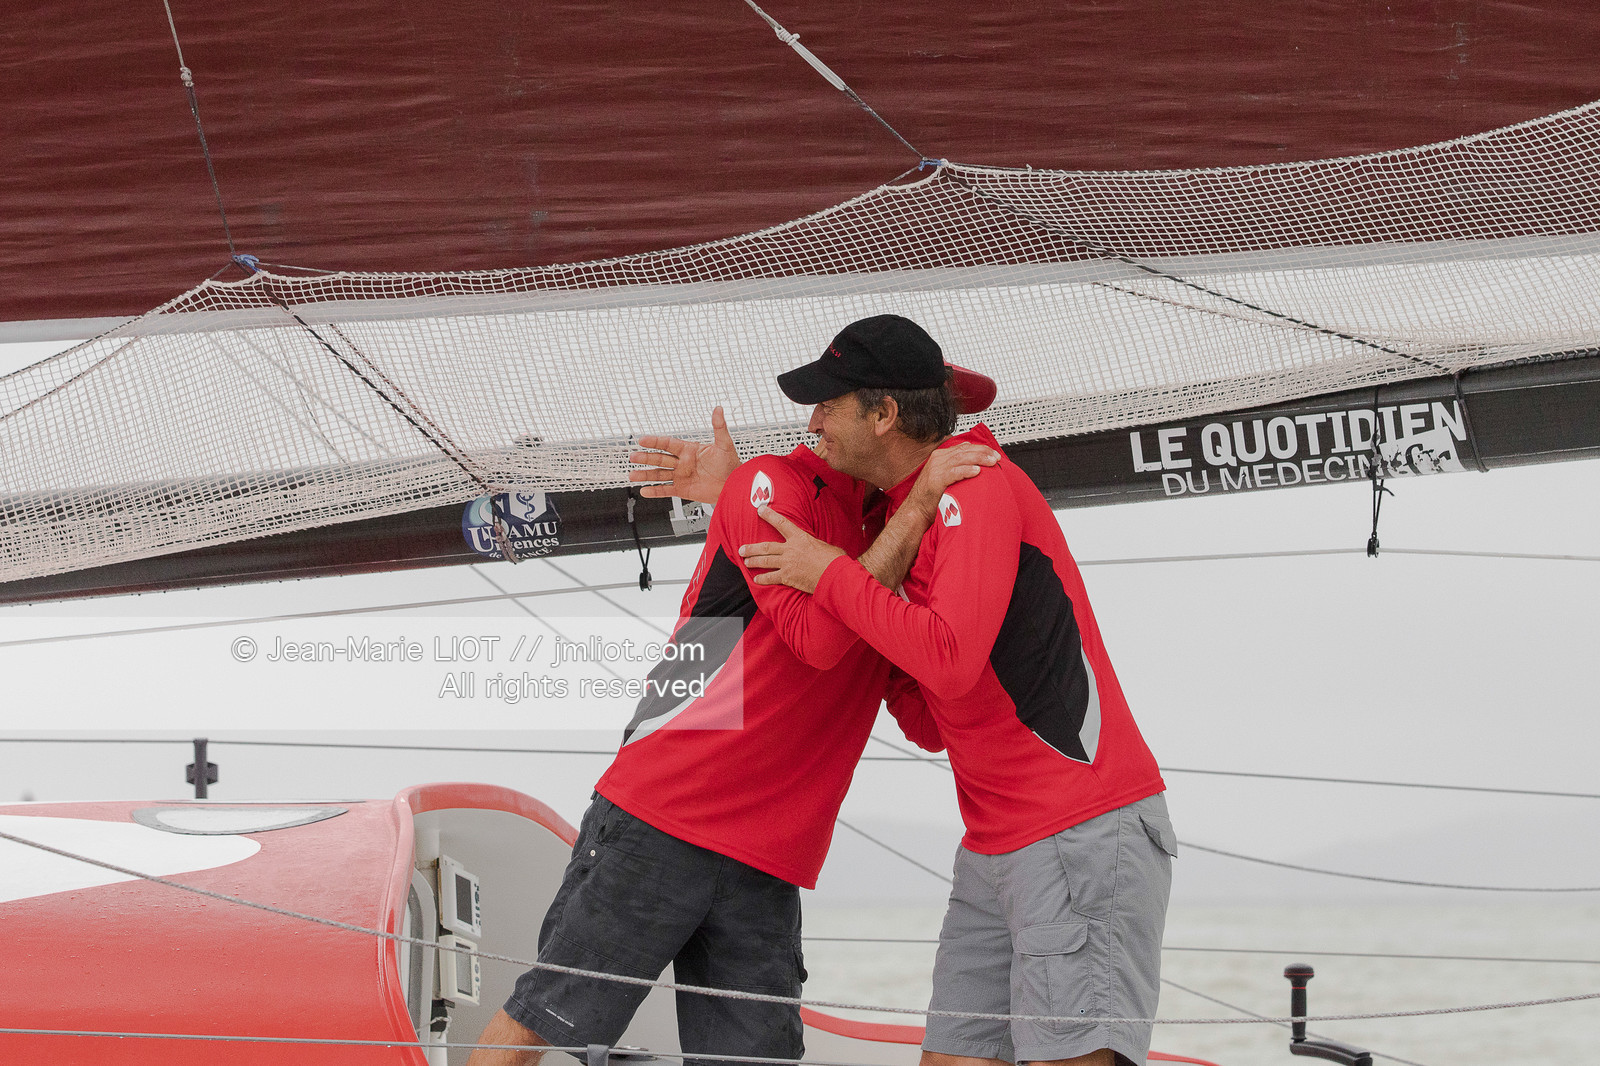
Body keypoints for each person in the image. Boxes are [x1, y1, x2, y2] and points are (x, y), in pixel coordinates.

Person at [464, 366, 999, 1066]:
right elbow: (821, 633)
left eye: (827, 405)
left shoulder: (889, 535)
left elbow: (925, 719)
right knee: (540, 1020)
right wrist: (747, 494)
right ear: (891, 418)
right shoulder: (774, 488)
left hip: (769, 853)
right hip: (665, 814)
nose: (813, 421)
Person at [738, 314, 1176, 1066]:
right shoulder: (905, 515)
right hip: (995, 844)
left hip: (1078, 829)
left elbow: (947, 663)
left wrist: (835, 579)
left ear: (883, 415)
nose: (811, 423)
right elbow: (932, 720)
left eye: (828, 404)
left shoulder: (974, 480)